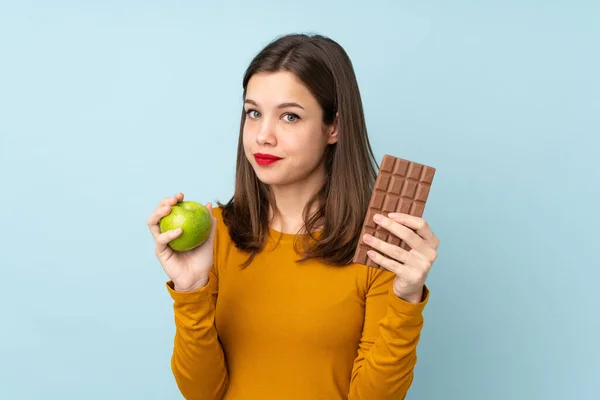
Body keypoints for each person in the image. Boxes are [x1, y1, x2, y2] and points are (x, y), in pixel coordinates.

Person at [146, 33, 440, 400]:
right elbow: (202, 392)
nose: (262, 136)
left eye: (289, 116)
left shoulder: (379, 245)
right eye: (253, 113)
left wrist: (406, 298)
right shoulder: (214, 233)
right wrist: (192, 290)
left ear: (334, 126)